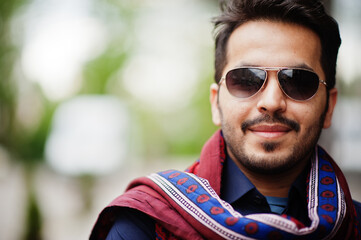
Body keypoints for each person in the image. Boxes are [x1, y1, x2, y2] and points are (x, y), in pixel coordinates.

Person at [90, 0, 361, 239]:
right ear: (215, 104)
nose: (271, 102)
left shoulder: (355, 225)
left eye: (299, 82)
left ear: (329, 107)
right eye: (246, 79)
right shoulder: (144, 227)